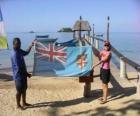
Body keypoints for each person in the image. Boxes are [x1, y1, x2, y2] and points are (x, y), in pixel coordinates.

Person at [11, 38, 34, 109]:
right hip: (18, 76)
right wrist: (27, 74)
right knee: (19, 91)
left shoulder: (19, 50)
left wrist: (30, 46)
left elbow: (26, 53)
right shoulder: (14, 54)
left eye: (20, 43)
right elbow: (19, 68)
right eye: (18, 44)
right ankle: (18, 105)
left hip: (23, 74)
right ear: (14, 44)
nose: (19, 45)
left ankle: (24, 102)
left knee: (24, 89)